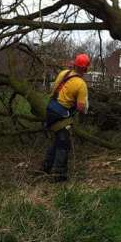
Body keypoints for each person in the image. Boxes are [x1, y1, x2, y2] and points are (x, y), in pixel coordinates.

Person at [41, 53, 90, 182]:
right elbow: (81, 108)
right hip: (61, 115)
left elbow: (55, 89)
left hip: (50, 109)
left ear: (74, 64)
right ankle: (58, 175)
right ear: (85, 69)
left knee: (57, 141)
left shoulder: (64, 73)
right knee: (63, 144)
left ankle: (46, 168)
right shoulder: (81, 84)